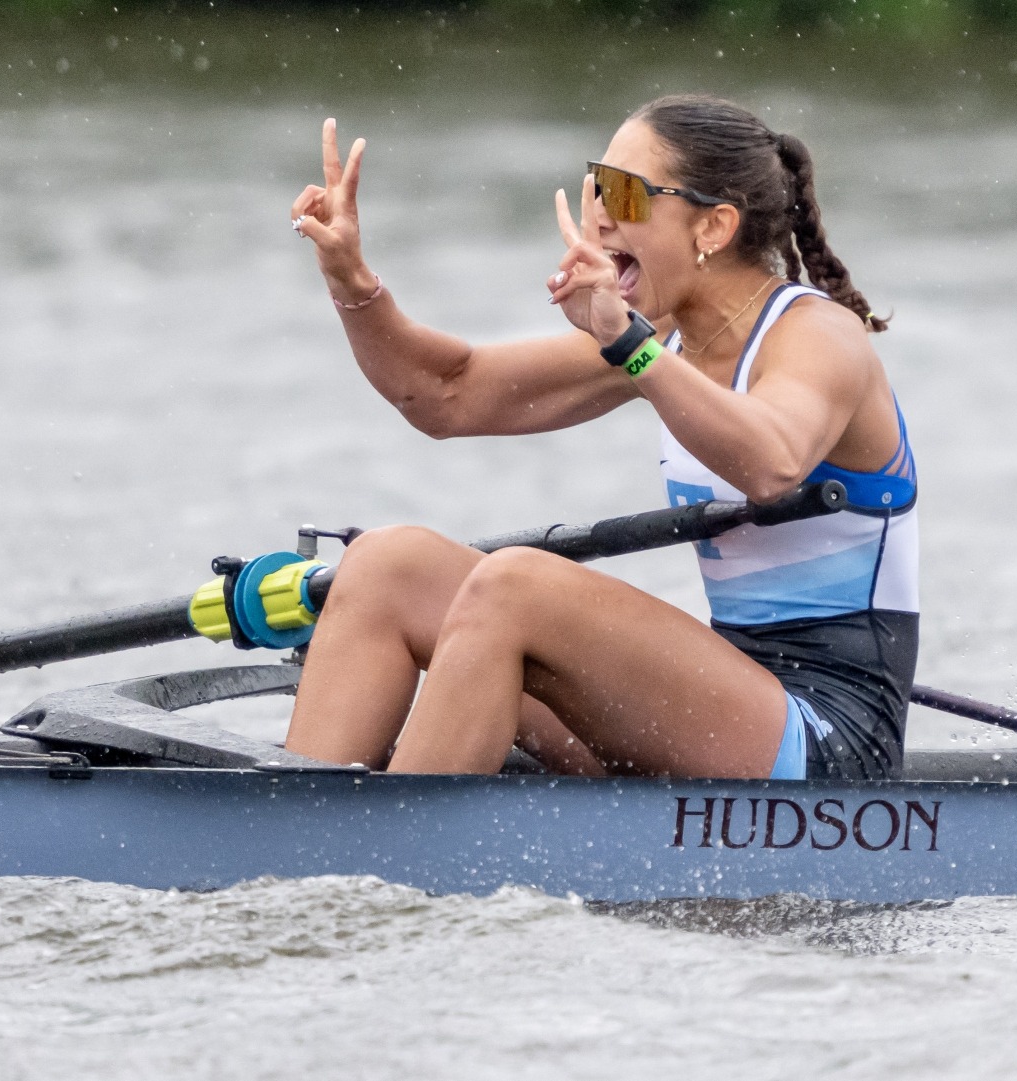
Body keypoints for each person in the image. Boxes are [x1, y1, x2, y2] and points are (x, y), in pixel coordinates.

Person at [283, 95, 917, 781]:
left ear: (713, 225)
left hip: (831, 740)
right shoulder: (663, 341)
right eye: (597, 187)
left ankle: (392, 840)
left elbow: (773, 462)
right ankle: (294, 827)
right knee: (386, 566)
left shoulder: (819, 336)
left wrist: (628, 345)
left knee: (515, 584)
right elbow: (443, 393)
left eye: (626, 194)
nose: (601, 216)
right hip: (726, 703)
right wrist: (352, 281)